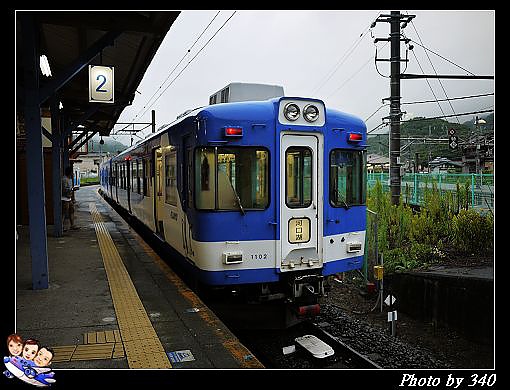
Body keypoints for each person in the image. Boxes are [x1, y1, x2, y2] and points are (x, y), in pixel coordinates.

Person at [62, 166, 78, 231]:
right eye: (72, 172)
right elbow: (64, 189)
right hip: (64, 198)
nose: (73, 174)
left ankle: (72, 225)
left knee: (72, 210)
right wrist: (72, 189)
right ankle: (61, 227)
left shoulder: (69, 179)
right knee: (64, 212)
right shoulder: (64, 179)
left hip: (68, 198)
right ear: (69, 172)